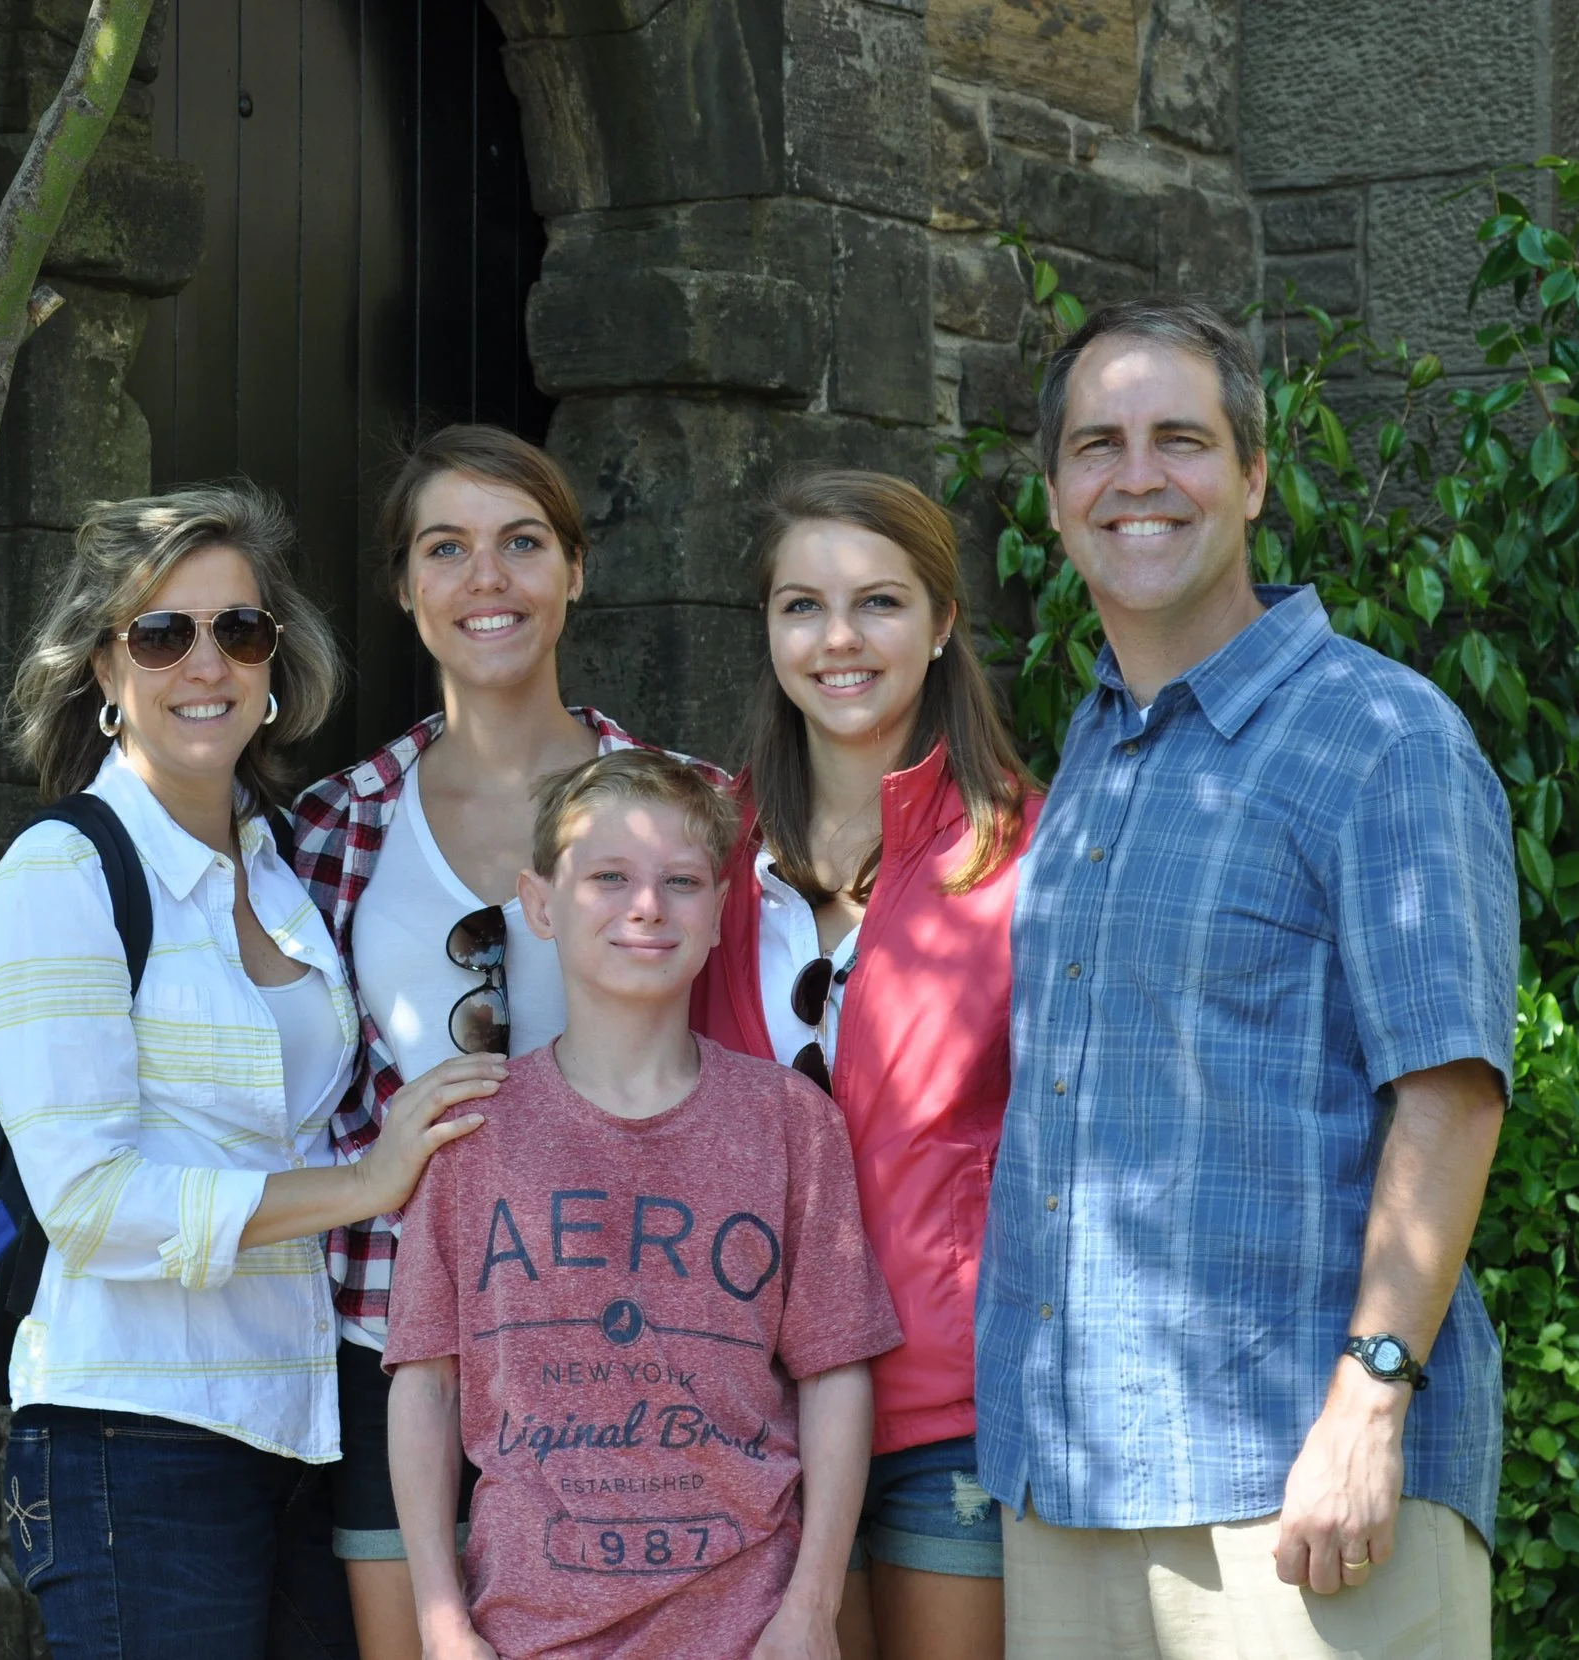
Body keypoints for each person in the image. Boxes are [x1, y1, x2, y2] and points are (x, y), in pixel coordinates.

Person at [977, 297, 1516, 1657]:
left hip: (1298, 1491)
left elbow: (1452, 1094)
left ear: (1255, 477)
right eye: (1098, 445)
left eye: (1182, 439)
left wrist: (1369, 1400)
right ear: (1053, 496)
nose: (1138, 476)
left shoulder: (1382, 737)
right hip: (1074, 1481)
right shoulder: (1098, 745)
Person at [0, 485, 501, 1657]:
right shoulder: (61, 872)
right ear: (104, 672)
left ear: (273, 661)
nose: (203, 661)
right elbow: (90, 1202)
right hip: (134, 1435)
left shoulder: (277, 865)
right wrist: (369, 1184)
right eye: (160, 633)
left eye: (238, 629)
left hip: (293, 1422)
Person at [290, 425, 723, 1659]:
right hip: (401, 1342)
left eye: (522, 543)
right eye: (448, 547)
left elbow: (764, 1045)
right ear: (404, 585)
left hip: (645, 1339)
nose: (488, 578)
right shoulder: (335, 826)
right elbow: (208, 998)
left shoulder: (686, 806)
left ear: (575, 571)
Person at [385, 751, 903, 1660]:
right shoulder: (471, 1132)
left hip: (745, 1626)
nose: (646, 906)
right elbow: (425, 1383)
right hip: (525, 1632)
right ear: (540, 903)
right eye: (608, 877)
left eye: (681, 881)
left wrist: (811, 1607)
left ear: (718, 911)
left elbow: (835, 1373)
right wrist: (439, 1620)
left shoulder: (789, 1122)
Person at [690, 470, 1039, 1660]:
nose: (837, 640)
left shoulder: (1030, 851)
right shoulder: (699, 859)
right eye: (801, 605)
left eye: (878, 602)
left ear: (942, 624)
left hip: (952, 1404)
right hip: (742, 1406)